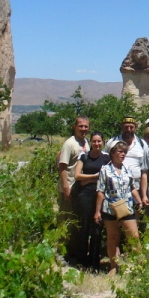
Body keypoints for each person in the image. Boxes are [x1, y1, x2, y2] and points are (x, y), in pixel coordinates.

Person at [94, 141, 142, 275]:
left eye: (124, 152)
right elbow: (100, 191)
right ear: (112, 153)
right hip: (110, 208)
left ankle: (139, 265)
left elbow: (132, 187)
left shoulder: (127, 170)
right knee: (112, 237)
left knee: (134, 236)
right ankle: (113, 266)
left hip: (127, 207)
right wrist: (97, 211)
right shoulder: (105, 170)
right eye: (120, 151)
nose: (122, 154)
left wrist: (139, 200)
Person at [73, 131, 110, 270]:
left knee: (97, 227)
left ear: (103, 142)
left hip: (100, 195)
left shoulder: (106, 158)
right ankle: (81, 260)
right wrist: (93, 177)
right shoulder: (84, 156)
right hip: (84, 195)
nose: (97, 144)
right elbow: (77, 175)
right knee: (83, 227)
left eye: (99, 141)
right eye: (94, 141)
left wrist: (87, 178)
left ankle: (94, 262)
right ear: (91, 142)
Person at [58, 116, 90, 260]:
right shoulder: (69, 144)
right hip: (69, 187)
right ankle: (60, 252)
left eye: (86, 126)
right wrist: (65, 187)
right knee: (65, 220)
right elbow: (62, 166)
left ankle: (72, 252)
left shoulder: (85, 143)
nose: (83, 129)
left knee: (75, 221)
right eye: (81, 126)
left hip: (79, 190)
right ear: (74, 127)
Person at [106, 116, 148, 195]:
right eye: (126, 127)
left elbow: (144, 170)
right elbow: (106, 161)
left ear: (135, 128)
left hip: (137, 188)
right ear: (122, 127)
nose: (128, 130)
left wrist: (144, 194)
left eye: (131, 127)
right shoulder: (112, 142)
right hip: (116, 189)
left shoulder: (142, 144)